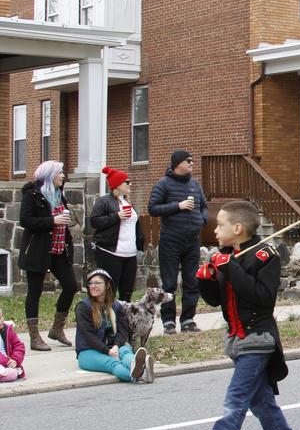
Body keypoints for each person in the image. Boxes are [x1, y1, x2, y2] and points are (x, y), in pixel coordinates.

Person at [195, 201, 300, 430]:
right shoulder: (228, 256)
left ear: (238, 227)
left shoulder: (265, 256)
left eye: (221, 225)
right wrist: (206, 280)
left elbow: (263, 297)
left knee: (234, 403)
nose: (215, 231)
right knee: (263, 404)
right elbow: (216, 300)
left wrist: (230, 268)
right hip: (237, 340)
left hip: (258, 340)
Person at [18, 160, 79, 352]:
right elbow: (26, 221)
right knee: (34, 292)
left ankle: (57, 328)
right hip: (38, 251)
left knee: (71, 286)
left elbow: (62, 219)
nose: (63, 176)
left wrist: (65, 222)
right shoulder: (32, 194)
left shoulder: (59, 195)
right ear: (50, 175)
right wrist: (52, 220)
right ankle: (35, 337)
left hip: (59, 250)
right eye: (60, 173)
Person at [148, 150, 209, 334]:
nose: (192, 163)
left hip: (192, 241)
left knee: (192, 281)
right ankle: (168, 322)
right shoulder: (164, 184)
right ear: (177, 164)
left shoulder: (195, 184)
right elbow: (153, 208)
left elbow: (204, 206)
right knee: (169, 283)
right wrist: (178, 206)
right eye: (188, 160)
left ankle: (188, 320)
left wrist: (202, 219)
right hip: (171, 241)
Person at [75, 268, 151, 384]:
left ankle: (135, 364)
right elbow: (88, 336)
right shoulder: (84, 307)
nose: (92, 286)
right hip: (88, 351)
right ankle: (142, 375)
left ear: (108, 285)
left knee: (125, 352)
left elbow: (122, 331)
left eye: (97, 283)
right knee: (113, 363)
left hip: (113, 346)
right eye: (90, 283)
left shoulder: (116, 306)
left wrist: (116, 346)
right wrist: (107, 351)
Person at [91, 166, 145, 302]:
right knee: (110, 291)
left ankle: (122, 321)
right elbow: (94, 221)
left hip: (130, 254)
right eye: (127, 182)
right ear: (118, 184)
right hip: (110, 252)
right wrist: (116, 216)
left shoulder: (128, 202)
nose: (130, 184)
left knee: (127, 292)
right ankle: (107, 321)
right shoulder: (104, 201)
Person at [0, 308, 26, 382]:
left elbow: (19, 346)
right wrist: (7, 362)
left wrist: (15, 360)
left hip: (8, 363)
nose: (2, 319)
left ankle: (6, 373)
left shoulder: (7, 330)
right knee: (11, 373)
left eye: (2, 317)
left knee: (13, 373)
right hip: (5, 362)